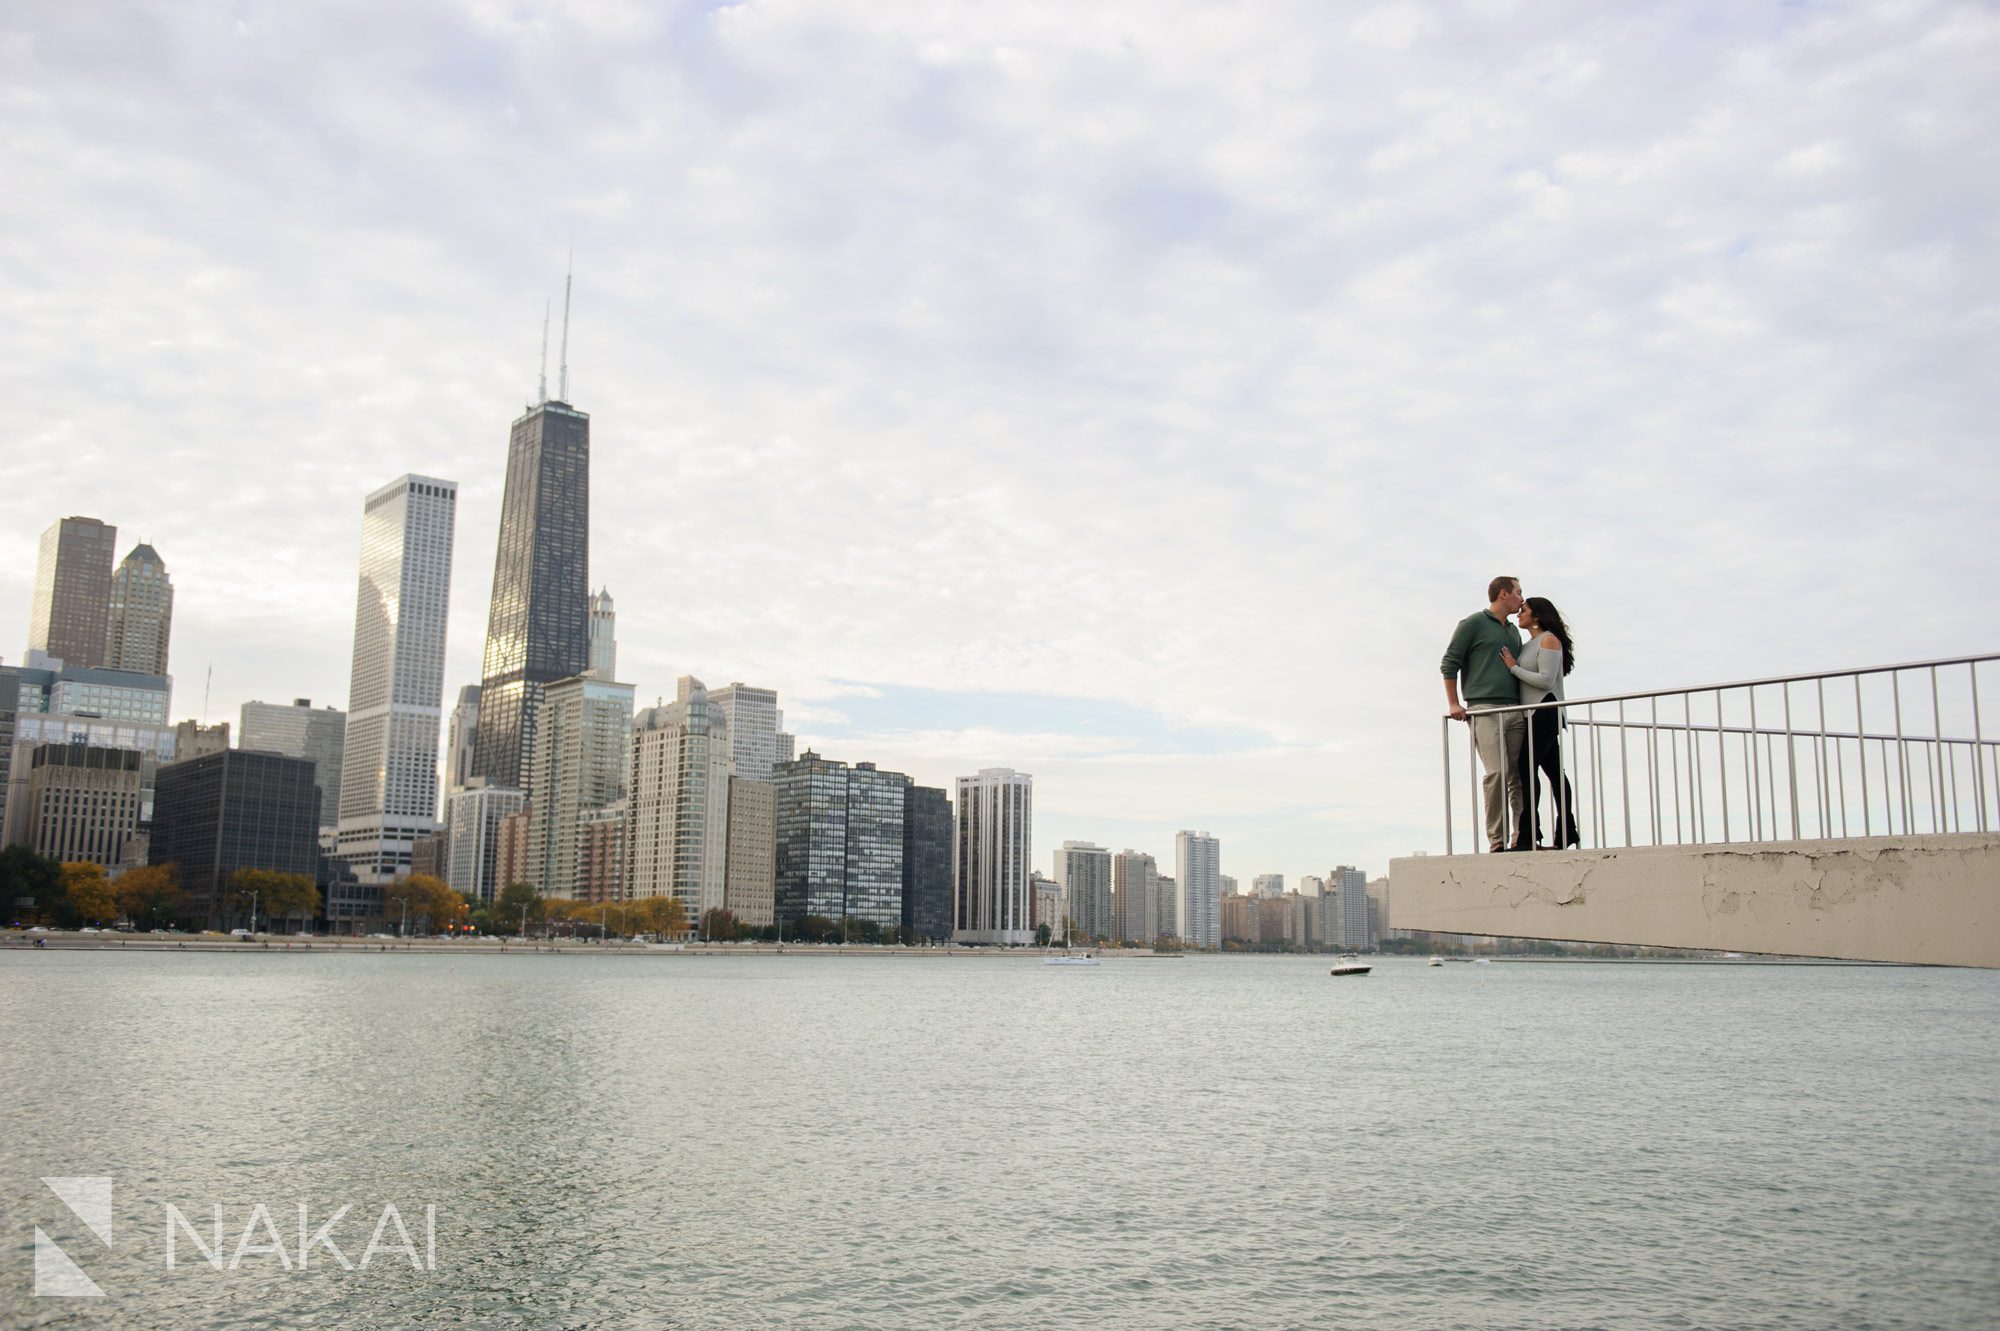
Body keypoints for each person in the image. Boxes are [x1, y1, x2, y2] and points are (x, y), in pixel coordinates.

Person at [1441, 576, 1527, 851]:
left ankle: (1520, 837)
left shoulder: (1514, 632)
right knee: (1498, 772)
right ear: (1504, 594)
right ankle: (1497, 840)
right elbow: (1449, 663)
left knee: (1518, 776)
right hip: (1484, 709)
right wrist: (1454, 703)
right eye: (1518, 592)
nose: (1522, 598)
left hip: (1516, 710)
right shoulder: (1473, 624)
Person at [1501, 596, 1578, 849]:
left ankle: (1528, 835)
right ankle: (1566, 833)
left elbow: (1545, 680)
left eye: (1523, 610)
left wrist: (1513, 668)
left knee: (1526, 767)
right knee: (1554, 772)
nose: (1518, 614)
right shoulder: (1529, 644)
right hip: (1533, 715)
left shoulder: (1549, 639)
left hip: (1546, 710)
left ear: (1537, 616)